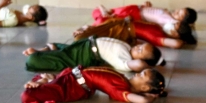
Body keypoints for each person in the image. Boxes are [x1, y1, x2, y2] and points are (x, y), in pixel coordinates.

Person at [21, 67, 167, 103]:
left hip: (72, 87)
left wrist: (150, 97)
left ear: (144, 88)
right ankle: (46, 81)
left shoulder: (120, 87)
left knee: (28, 95)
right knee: (47, 80)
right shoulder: (123, 80)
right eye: (140, 72)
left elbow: (142, 101)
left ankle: (43, 83)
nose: (137, 74)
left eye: (142, 76)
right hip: (72, 76)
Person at [23, 37, 163, 72]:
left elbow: (137, 65)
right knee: (60, 47)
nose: (137, 47)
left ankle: (39, 55)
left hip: (86, 55)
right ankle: (49, 50)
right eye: (140, 46)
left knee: (34, 60)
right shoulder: (127, 47)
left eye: (140, 51)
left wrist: (146, 66)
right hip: (85, 45)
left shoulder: (125, 59)